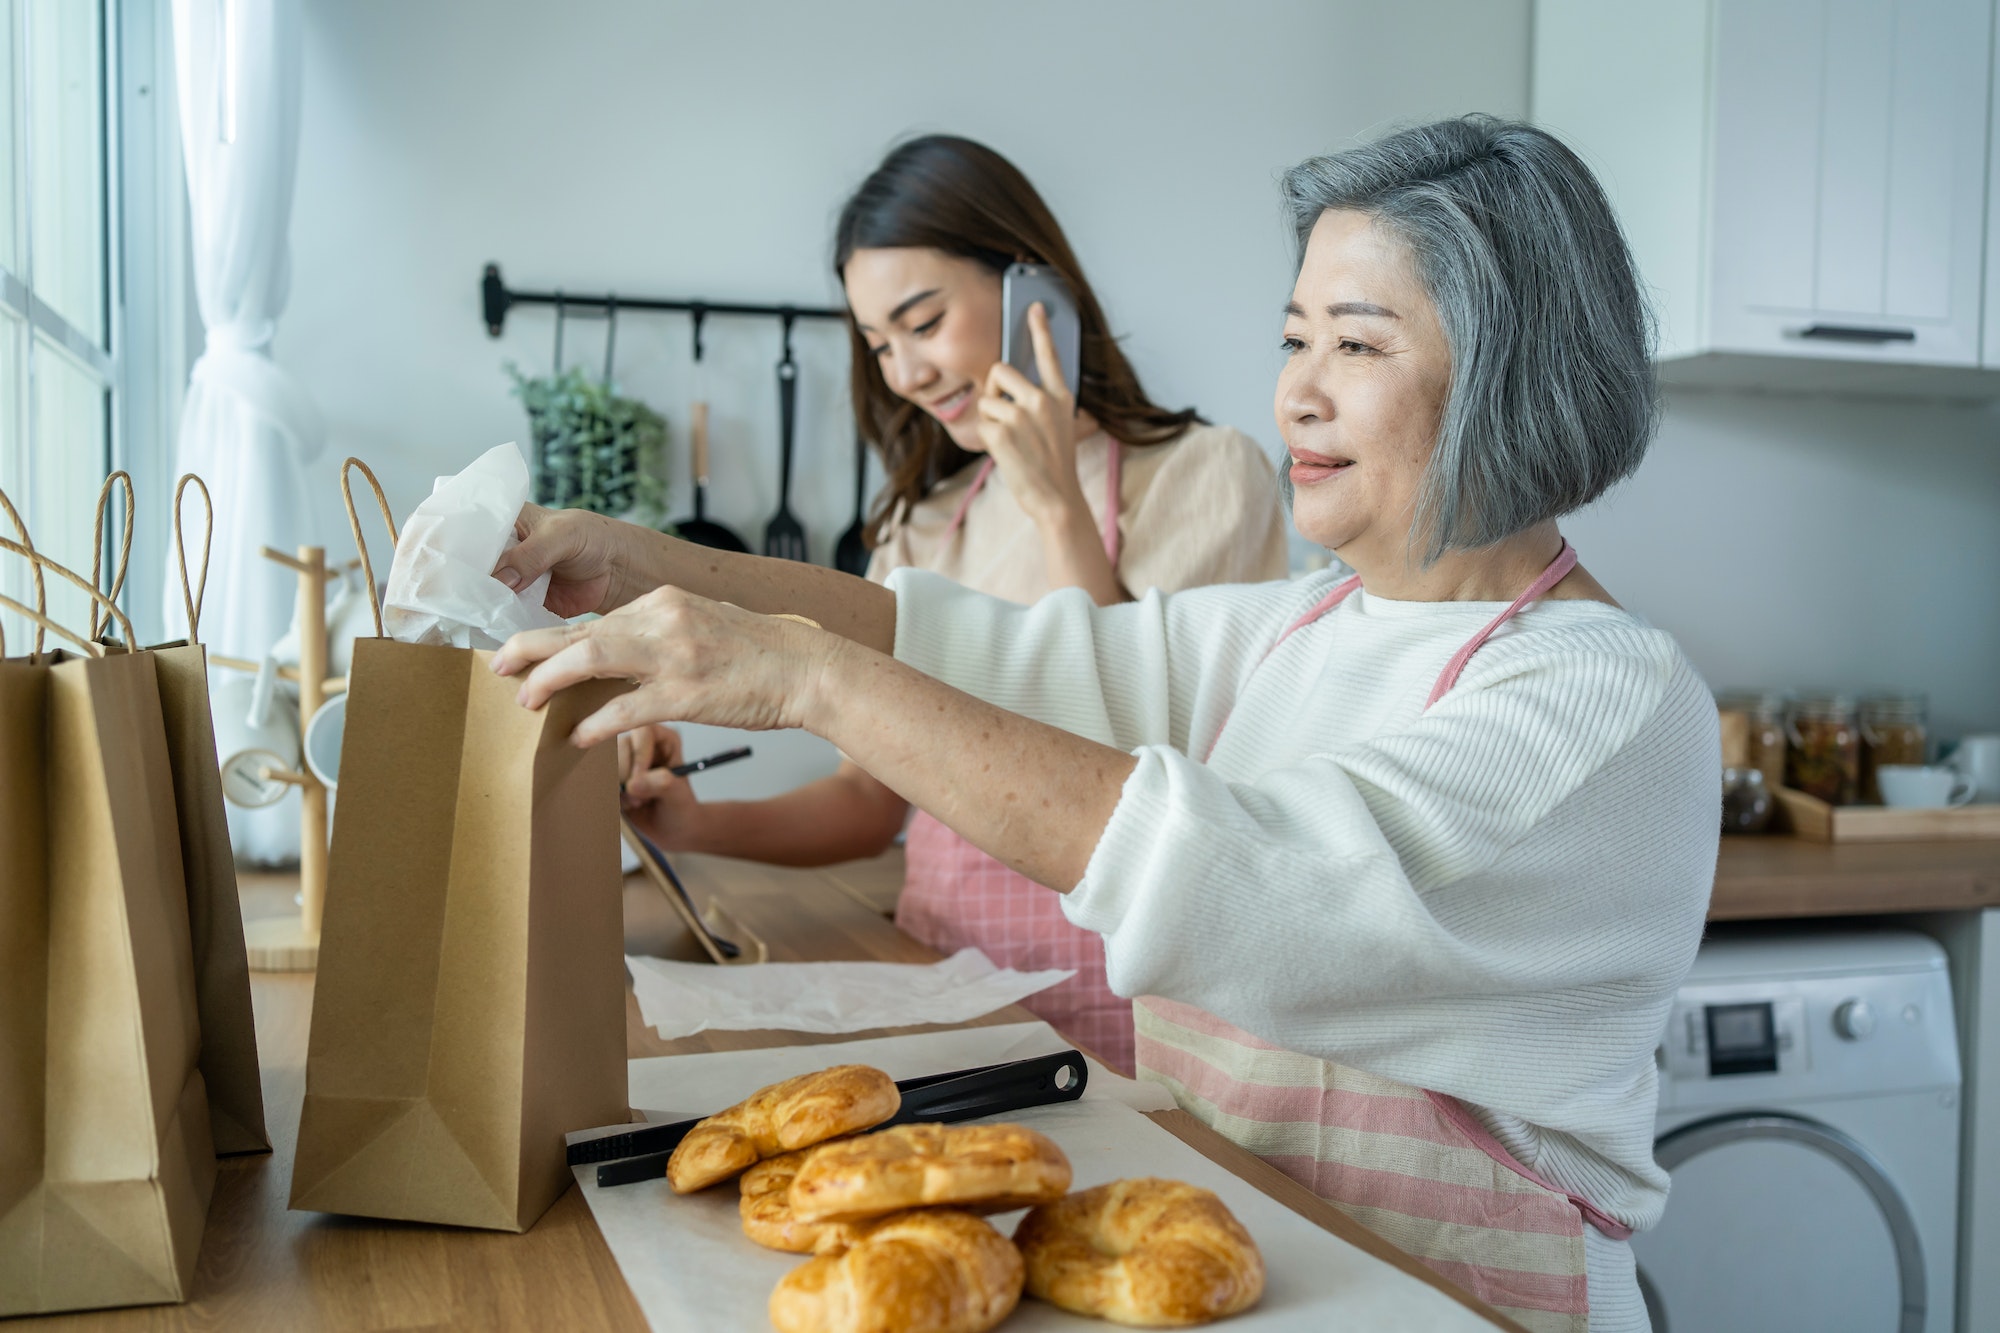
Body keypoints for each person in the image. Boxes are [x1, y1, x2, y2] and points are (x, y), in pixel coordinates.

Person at [493, 116, 1716, 1331]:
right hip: (1264, 1268)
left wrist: (807, 678)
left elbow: (1247, 887)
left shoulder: (1605, 696)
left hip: (1458, 1303)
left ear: (1509, 370)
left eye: (1354, 343)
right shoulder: (1300, 626)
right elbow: (984, 653)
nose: (1294, 389)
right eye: (1293, 338)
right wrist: (644, 564)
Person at [618, 135, 1287, 1075]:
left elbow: (1142, 764)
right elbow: (867, 798)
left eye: (922, 322)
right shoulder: (924, 522)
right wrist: (691, 825)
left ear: (1031, 295)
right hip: (940, 978)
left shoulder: (1209, 476)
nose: (904, 373)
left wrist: (1057, 504)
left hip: (1125, 1000)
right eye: (879, 343)